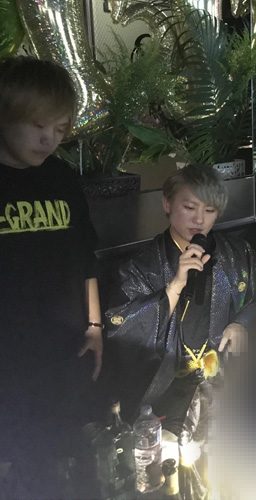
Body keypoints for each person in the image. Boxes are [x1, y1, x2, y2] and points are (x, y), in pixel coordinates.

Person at [104, 164, 256, 431]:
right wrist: (174, 286)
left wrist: (243, 323)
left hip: (226, 386)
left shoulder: (237, 254)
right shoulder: (142, 266)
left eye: (209, 210)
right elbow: (120, 326)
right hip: (165, 394)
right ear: (167, 204)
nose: (199, 219)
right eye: (189, 207)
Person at [0, 56, 102, 498]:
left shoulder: (61, 178)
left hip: (66, 353)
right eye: (38, 125)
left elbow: (86, 257)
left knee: (70, 467)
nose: (50, 139)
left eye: (60, 129)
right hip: (9, 365)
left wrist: (95, 327)